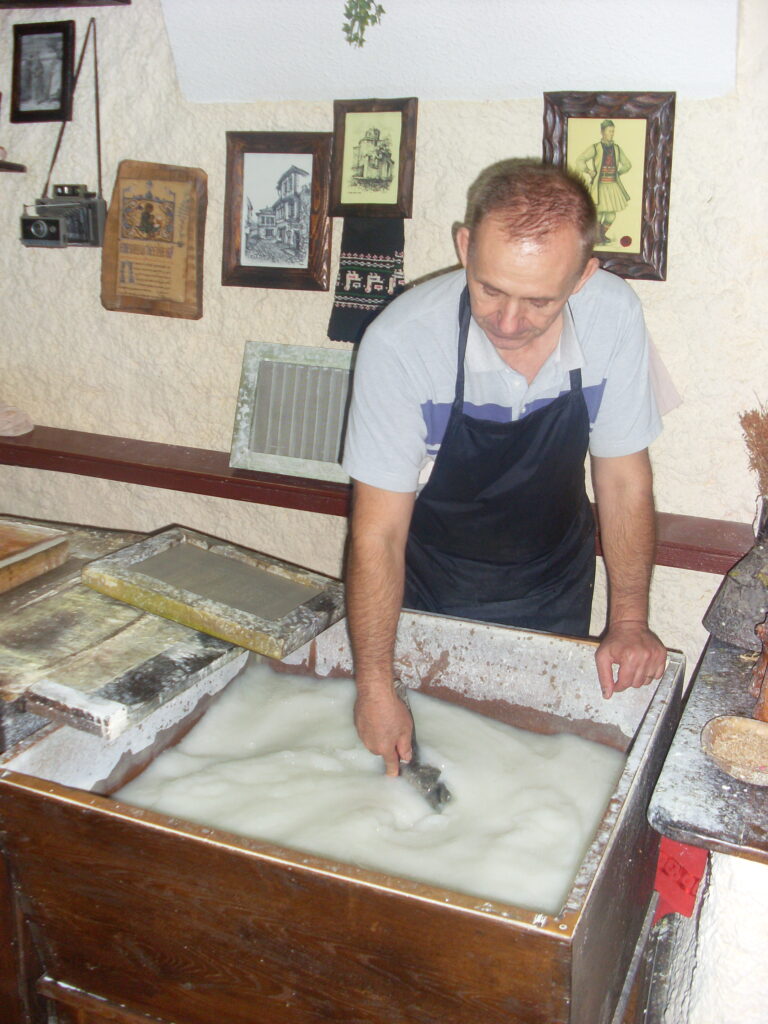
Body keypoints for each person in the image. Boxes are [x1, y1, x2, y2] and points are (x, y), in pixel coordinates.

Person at [342, 158, 667, 776]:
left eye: (539, 300)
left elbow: (623, 478)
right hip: (428, 587)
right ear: (465, 247)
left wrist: (628, 620)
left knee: (527, 768)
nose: (510, 322)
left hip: (554, 581)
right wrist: (375, 685)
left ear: (583, 276)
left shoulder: (612, 316)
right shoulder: (402, 342)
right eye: (490, 289)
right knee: (429, 771)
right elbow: (377, 533)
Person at [575, 120, 632, 244]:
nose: (612, 134)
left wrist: (618, 173)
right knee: (599, 213)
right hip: (599, 185)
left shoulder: (616, 149)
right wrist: (588, 171)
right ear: (602, 132)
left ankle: (601, 235)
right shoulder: (596, 148)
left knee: (611, 215)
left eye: (613, 131)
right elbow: (580, 160)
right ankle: (596, 237)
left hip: (612, 185)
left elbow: (627, 164)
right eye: (609, 131)